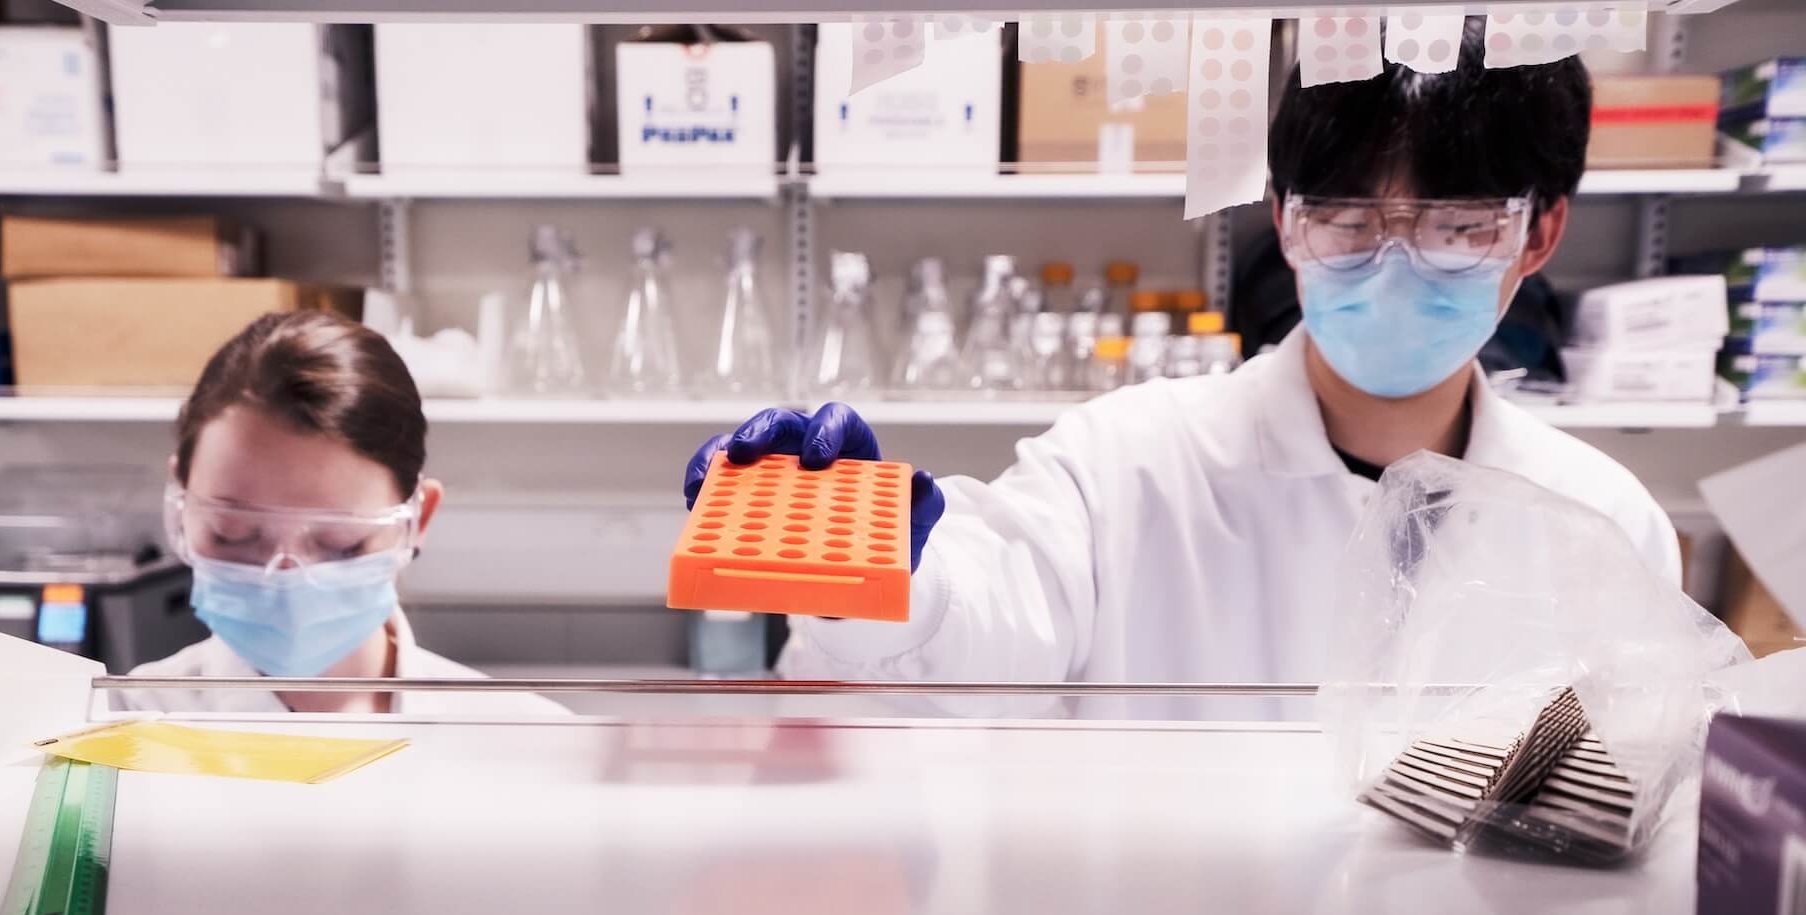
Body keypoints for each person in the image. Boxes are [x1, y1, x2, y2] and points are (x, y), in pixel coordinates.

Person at [681, 23, 1678, 721]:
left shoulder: (1604, 519)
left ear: (1539, 231)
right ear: (1284, 222)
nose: (1394, 258)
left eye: (1456, 223)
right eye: (1344, 217)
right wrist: (871, 574)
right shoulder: (1126, 462)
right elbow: (963, 638)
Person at [113, 311, 563, 717]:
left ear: (418, 519)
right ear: (182, 500)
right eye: (232, 532)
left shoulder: (527, 739)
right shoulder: (125, 724)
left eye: (341, 542)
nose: (284, 579)